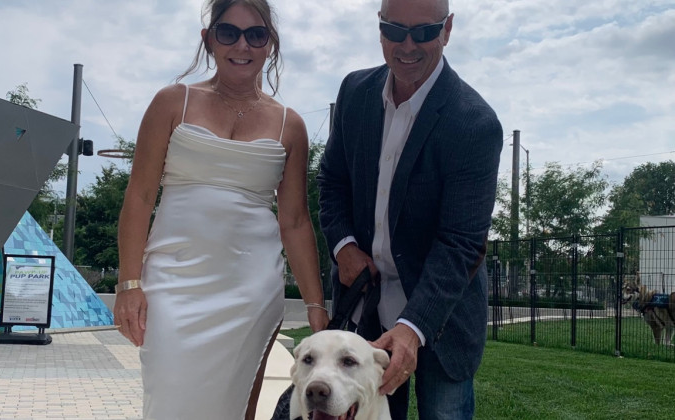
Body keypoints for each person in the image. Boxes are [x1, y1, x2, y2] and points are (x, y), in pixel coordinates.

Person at [113, 1, 328, 419]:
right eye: (228, 32)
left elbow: (296, 221)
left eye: (256, 34)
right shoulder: (172, 102)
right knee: (168, 401)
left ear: (270, 44)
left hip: (251, 289)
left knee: (236, 408)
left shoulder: (291, 125)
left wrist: (316, 306)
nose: (242, 44)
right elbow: (138, 197)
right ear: (209, 39)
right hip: (172, 282)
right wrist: (128, 283)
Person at [317, 0, 503, 418]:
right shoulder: (354, 93)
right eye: (393, 30)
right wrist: (344, 245)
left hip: (443, 316)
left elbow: (461, 243)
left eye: (423, 32)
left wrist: (413, 327)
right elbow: (331, 181)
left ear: (448, 29)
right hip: (365, 310)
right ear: (379, 26)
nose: (407, 45)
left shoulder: (474, 123)